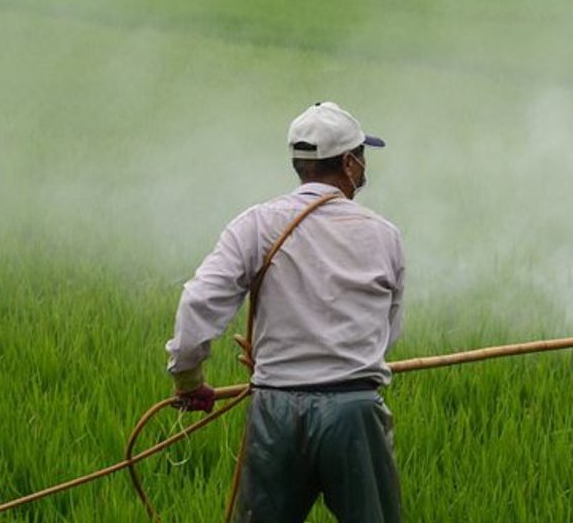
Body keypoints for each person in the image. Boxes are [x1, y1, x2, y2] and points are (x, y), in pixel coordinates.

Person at [164, 101, 404, 523]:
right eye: (362, 157)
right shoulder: (383, 236)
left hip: (275, 412)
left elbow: (199, 302)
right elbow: (386, 334)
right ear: (348, 163)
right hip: (354, 412)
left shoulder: (255, 224)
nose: (365, 167)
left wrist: (188, 380)